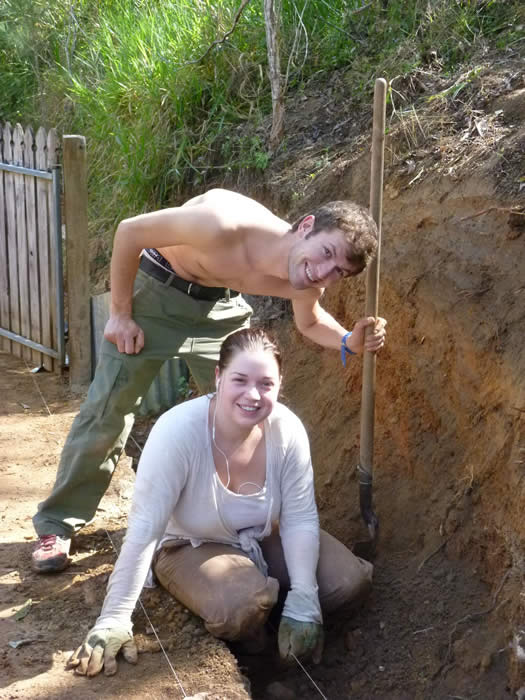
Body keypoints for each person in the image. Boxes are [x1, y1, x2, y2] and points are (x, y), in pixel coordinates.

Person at [32, 188, 387, 573]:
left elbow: (311, 321)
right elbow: (129, 232)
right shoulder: (220, 225)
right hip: (156, 293)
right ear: (305, 227)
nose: (323, 272)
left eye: (339, 272)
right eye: (326, 253)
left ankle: (245, 517)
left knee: (247, 413)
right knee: (109, 409)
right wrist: (120, 314)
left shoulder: (306, 281)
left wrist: (350, 341)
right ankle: (58, 523)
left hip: (220, 304)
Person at [68, 328, 373, 676]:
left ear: (280, 384)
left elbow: (300, 517)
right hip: (190, 543)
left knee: (348, 581)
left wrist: (305, 598)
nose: (253, 395)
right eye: (240, 380)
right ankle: (254, 646)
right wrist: (114, 616)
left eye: (266, 384)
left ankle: (280, 612)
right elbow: (144, 528)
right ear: (218, 377)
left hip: (260, 535)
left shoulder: (287, 431)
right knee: (239, 608)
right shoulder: (178, 431)